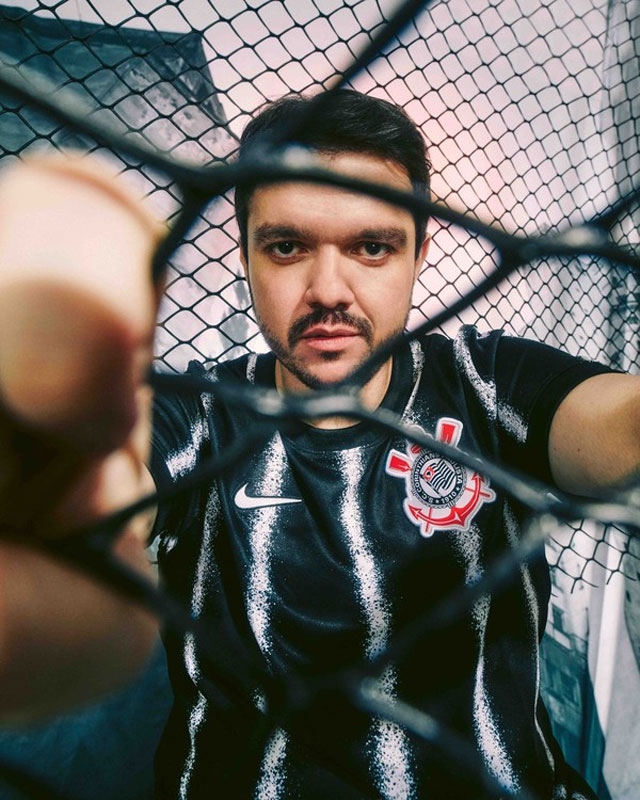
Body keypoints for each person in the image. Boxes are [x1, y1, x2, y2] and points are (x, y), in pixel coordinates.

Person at [0, 89, 637, 797]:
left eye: (371, 247)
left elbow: (618, 426)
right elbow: (115, 478)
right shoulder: (203, 414)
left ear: (419, 253)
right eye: (288, 246)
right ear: (246, 253)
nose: (328, 289)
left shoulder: (488, 383)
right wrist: (53, 479)